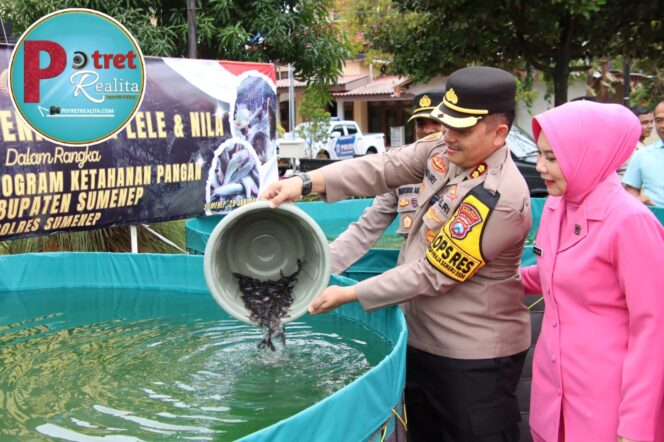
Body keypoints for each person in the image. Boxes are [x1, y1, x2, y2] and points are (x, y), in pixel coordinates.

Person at [261, 66, 532, 441]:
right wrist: (305, 181)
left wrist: (350, 294)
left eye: (462, 129)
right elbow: (384, 167)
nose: (448, 136)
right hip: (421, 338)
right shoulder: (445, 151)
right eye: (446, 124)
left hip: (473, 357)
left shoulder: (501, 198)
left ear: (499, 133)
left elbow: (431, 272)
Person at [520, 100, 664, 442]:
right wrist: (492, 283)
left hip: (607, 409)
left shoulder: (630, 221)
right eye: (540, 155)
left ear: (590, 153)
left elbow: (654, 327)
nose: (540, 167)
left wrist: (635, 426)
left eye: (552, 158)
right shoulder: (557, 205)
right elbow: (551, 273)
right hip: (553, 399)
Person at [329, 90, 444, 274]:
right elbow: (366, 228)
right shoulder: (401, 172)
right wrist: (322, 266)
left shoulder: (465, 169)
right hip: (409, 279)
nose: (428, 130)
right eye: (420, 123)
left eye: (436, 122)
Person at [622, 100, 664, 206]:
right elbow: (631, 188)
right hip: (655, 220)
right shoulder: (642, 154)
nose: (662, 125)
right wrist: (640, 203)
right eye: (659, 120)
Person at [617, 105, 654, 176]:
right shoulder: (627, 147)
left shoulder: (642, 145)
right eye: (644, 123)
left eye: (651, 122)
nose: (650, 126)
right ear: (633, 123)